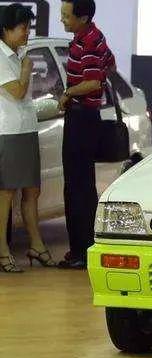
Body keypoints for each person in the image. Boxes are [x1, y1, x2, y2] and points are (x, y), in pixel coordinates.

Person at [58, 0, 115, 269]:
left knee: (77, 186)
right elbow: (110, 65)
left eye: (66, 15)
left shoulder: (89, 41)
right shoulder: (92, 36)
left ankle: (81, 251)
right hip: (85, 117)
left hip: (82, 118)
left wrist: (68, 93)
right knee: (79, 185)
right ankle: (80, 248)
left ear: (82, 18)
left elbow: (92, 81)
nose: (62, 19)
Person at [0, 3, 57, 273]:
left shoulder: (20, 53)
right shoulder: (3, 57)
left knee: (32, 190)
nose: (27, 33)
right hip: (8, 131)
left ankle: (37, 245)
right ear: (6, 29)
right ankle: (3, 250)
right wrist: (25, 68)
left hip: (27, 128)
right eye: (23, 28)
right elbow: (18, 92)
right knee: (6, 194)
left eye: (28, 28)